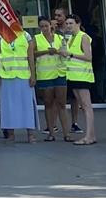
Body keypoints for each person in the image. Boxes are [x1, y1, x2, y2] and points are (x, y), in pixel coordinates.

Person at [60, 14, 96, 144]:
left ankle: (89, 136)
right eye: (67, 23)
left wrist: (70, 54)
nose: (68, 26)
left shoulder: (83, 37)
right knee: (83, 105)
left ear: (78, 23)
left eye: (71, 23)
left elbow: (88, 56)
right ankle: (91, 135)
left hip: (83, 76)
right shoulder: (70, 38)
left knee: (86, 106)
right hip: (73, 75)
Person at [33, 11, 67, 141]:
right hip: (45, 75)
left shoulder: (59, 38)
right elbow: (32, 54)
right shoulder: (36, 39)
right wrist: (46, 51)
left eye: (46, 26)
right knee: (48, 104)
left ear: (50, 26)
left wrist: (58, 51)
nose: (44, 28)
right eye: (42, 26)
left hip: (59, 73)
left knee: (62, 104)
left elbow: (66, 51)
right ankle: (51, 132)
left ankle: (66, 133)